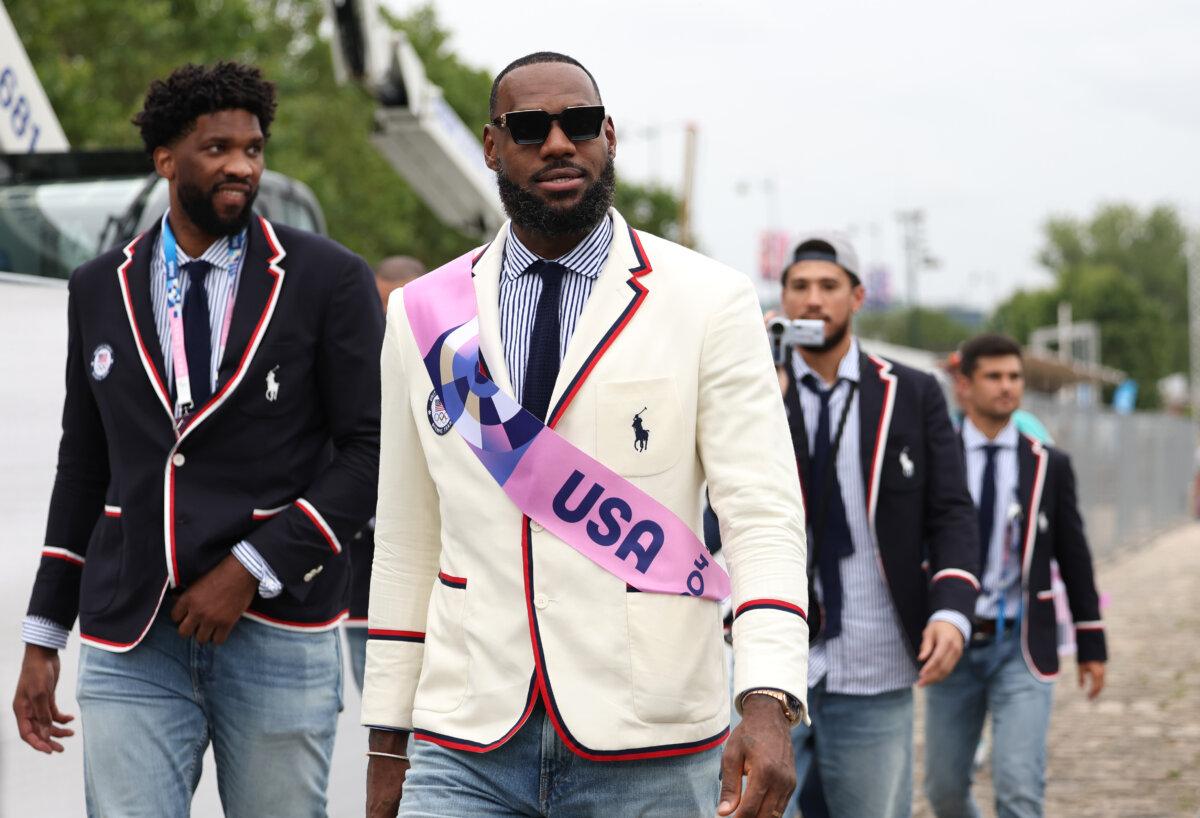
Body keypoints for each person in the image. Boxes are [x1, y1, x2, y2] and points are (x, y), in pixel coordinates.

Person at [362, 51, 809, 818]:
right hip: (465, 737)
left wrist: (767, 698)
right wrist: (386, 738)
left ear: (610, 136)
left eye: (580, 124)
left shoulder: (708, 301)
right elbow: (407, 539)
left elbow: (763, 517)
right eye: (531, 128)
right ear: (491, 147)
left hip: (650, 741)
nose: (559, 144)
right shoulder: (423, 314)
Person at [12, 62, 382, 817]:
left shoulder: (329, 279)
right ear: (165, 159)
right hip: (132, 635)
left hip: (280, 628)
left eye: (253, 147)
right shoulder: (96, 286)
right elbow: (84, 465)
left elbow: (373, 453)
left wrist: (252, 567)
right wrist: (45, 631)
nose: (242, 165)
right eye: (217, 148)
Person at [778, 231, 981, 818]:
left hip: (874, 659)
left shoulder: (912, 394)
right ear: (783, 298)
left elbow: (950, 511)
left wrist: (951, 609)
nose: (813, 300)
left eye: (828, 287)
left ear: (857, 297)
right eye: (799, 287)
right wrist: (764, 385)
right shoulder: (752, 388)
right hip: (769, 661)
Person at [924, 334, 1107, 818]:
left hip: (1021, 644)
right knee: (942, 790)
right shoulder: (935, 460)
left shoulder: (1048, 463)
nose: (1008, 388)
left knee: (1018, 789)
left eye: (1014, 377)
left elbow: (1074, 554)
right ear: (964, 385)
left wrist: (1092, 642)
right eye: (994, 377)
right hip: (952, 645)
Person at [345, 255, 427, 692]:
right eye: (381, 305)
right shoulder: (355, 356)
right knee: (379, 705)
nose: (387, 316)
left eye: (398, 304)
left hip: (434, 566)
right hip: (365, 564)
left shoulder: (450, 357)